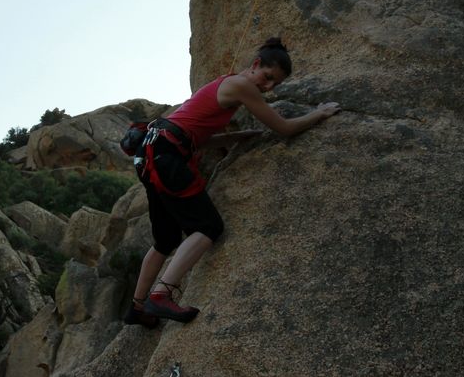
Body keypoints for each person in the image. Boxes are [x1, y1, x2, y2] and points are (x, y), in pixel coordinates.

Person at [124, 37, 340, 326]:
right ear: (255, 65)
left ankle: (137, 308)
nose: (267, 87)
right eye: (267, 77)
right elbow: (285, 128)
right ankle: (161, 295)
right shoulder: (241, 85)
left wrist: (235, 138)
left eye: (274, 84)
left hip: (151, 154)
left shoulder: (222, 84)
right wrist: (320, 113)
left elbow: (196, 135)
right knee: (208, 227)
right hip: (167, 155)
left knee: (165, 240)